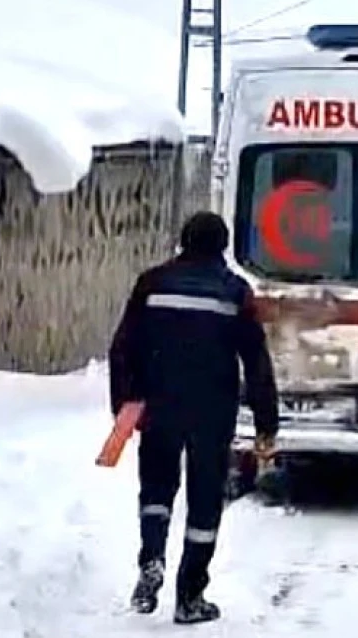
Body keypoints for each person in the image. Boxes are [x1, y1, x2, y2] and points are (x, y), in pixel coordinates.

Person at [108, 210, 280, 625]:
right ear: (222, 246)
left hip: (159, 405)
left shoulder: (152, 283)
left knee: (156, 489)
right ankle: (190, 596)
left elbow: (123, 347)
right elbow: (256, 362)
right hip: (211, 411)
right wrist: (265, 425)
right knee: (204, 499)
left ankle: (151, 558)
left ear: (183, 241)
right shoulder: (234, 292)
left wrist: (126, 405)